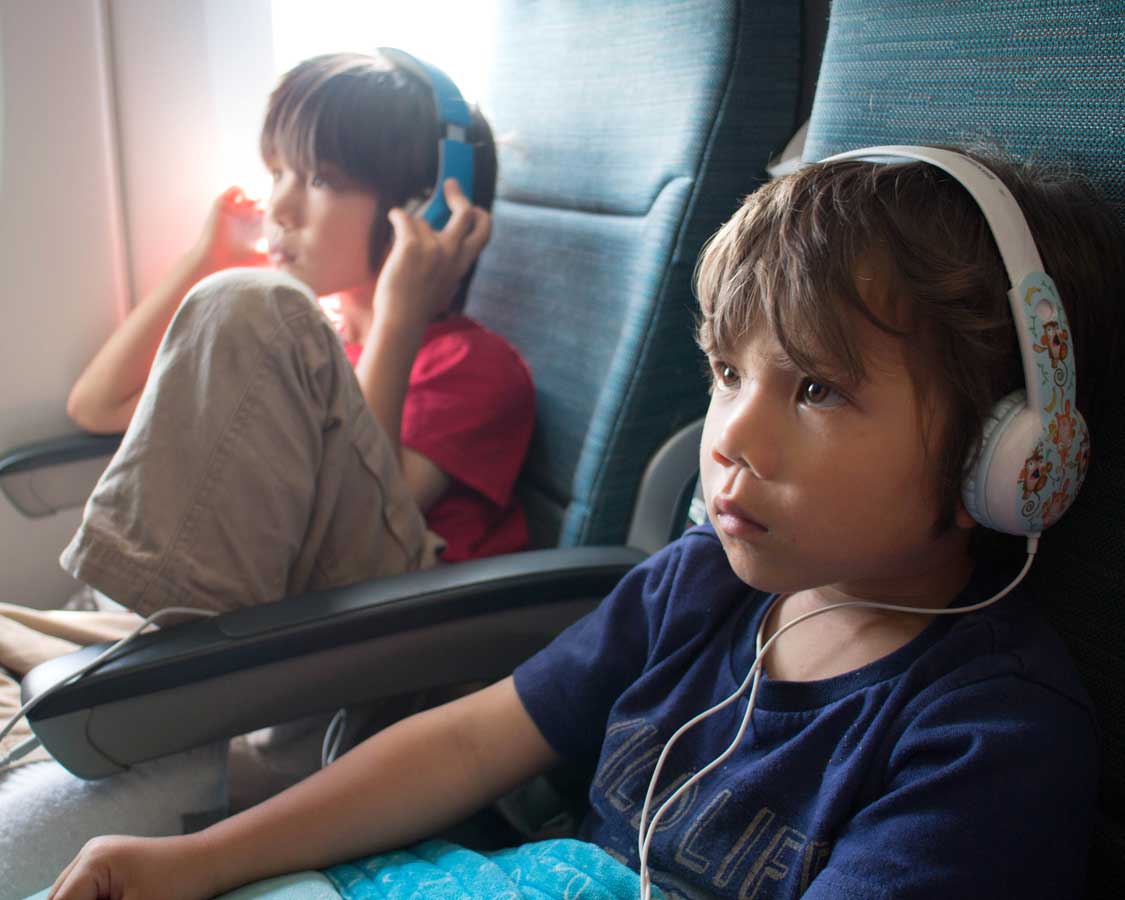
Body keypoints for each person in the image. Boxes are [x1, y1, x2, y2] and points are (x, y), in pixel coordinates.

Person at [41, 149, 1123, 900]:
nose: (730, 439)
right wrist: (205, 859)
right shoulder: (697, 586)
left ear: (1005, 454)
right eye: (728, 372)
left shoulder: (988, 740)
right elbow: (470, 742)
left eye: (817, 390)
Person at [0, 51, 534, 900]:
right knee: (247, 300)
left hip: (383, 660)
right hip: (256, 624)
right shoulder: (309, 354)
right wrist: (202, 255)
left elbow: (372, 512)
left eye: (317, 179)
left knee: (254, 306)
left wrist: (394, 316)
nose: (280, 204)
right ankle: (113, 665)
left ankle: (137, 689)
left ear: (419, 209)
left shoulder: (475, 367)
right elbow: (97, 405)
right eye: (277, 172)